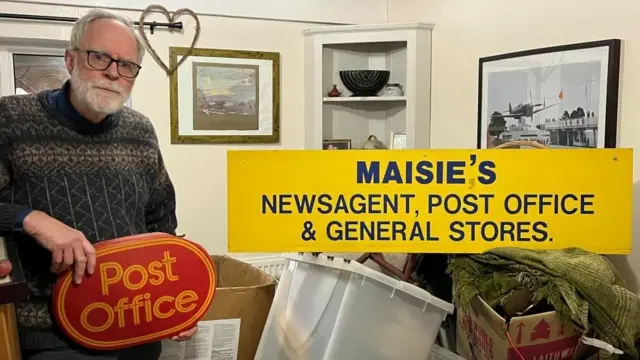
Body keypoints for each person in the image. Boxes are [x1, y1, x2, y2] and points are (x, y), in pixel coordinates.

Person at [0, 8, 197, 360]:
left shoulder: (140, 130)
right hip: (49, 334)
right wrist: (31, 219)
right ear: (70, 59)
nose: (112, 71)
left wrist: (175, 301)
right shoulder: (10, 119)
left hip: (137, 324)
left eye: (126, 65)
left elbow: (161, 223)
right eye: (99, 56)